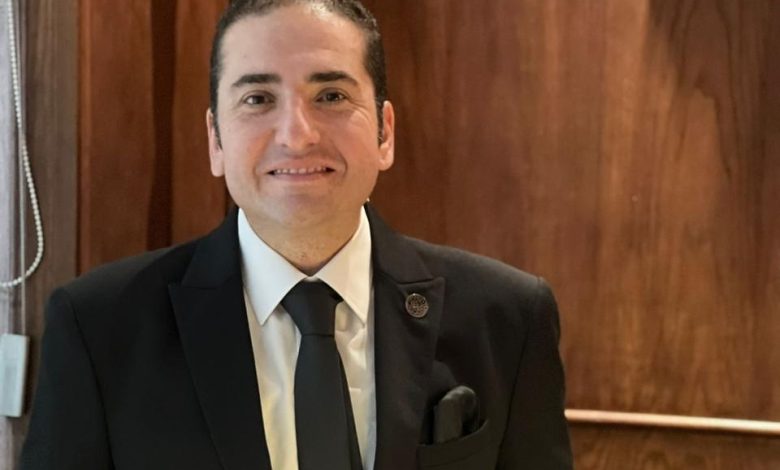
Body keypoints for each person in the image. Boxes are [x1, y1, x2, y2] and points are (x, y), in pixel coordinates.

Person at [20, 1, 573, 469]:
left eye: (330, 96)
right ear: (216, 140)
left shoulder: (507, 318)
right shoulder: (99, 328)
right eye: (258, 99)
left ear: (384, 133)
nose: (297, 135)